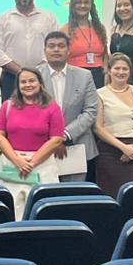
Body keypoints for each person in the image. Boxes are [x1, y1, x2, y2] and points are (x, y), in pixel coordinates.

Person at [0, 68, 65, 213]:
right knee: (13, 210)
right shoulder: (7, 106)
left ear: (40, 83)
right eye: (23, 82)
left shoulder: (53, 108)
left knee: (43, 210)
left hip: (42, 165)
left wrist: (32, 163)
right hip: (12, 165)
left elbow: (56, 139)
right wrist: (17, 160)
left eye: (32, 80)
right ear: (18, 85)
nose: (28, 85)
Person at [93, 51, 133, 197]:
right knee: (113, 196)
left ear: (130, 71)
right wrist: (124, 148)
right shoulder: (99, 94)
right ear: (109, 71)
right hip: (112, 153)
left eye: (125, 69)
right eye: (117, 68)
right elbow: (98, 127)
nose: (121, 72)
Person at [37, 31, 99, 183]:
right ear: (45, 50)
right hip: (42, 147)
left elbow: (90, 111)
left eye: (61, 46)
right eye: (51, 46)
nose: (56, 50)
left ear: (69, 50)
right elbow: (29, 111)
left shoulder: (84, 76)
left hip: (77, 145)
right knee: (47, 196)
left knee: (74, 197)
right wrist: (53, 138)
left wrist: (64, 135)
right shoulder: (34, 76)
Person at [0, 0, 59, 103]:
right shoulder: (2, 19)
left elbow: (55, 46)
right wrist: (22, 72)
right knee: (12, 117)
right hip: (11, 78)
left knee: (42, 114)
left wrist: (37, 71)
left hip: (43, 77)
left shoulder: (48, 18)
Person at [62, 0, 108, 89]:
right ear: (73, 6)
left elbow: (105, 54)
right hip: (75, 75)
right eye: (79, 2)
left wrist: (106, 72)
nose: (83, 5)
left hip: (98, 76)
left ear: (91, 6)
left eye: (86, 2)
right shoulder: (65, 30)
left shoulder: (100, 28)